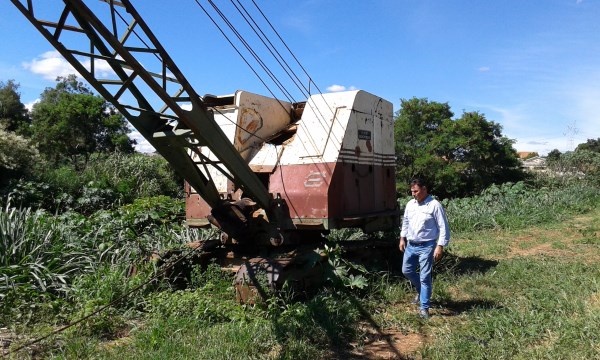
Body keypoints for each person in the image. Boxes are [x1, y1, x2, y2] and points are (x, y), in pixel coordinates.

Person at [399, 178, 450, 319]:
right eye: (412, 191)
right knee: (406, 270)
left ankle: (424, 308)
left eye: (416, 191)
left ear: (424, 189)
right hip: (411, 244)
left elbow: (443, 227)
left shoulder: (434, 205)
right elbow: (406, 222)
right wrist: (402, 238)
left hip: (427, 246)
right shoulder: (410, 204)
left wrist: (440, 246)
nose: (413, 194)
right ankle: (421, 292)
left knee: (425, 276)